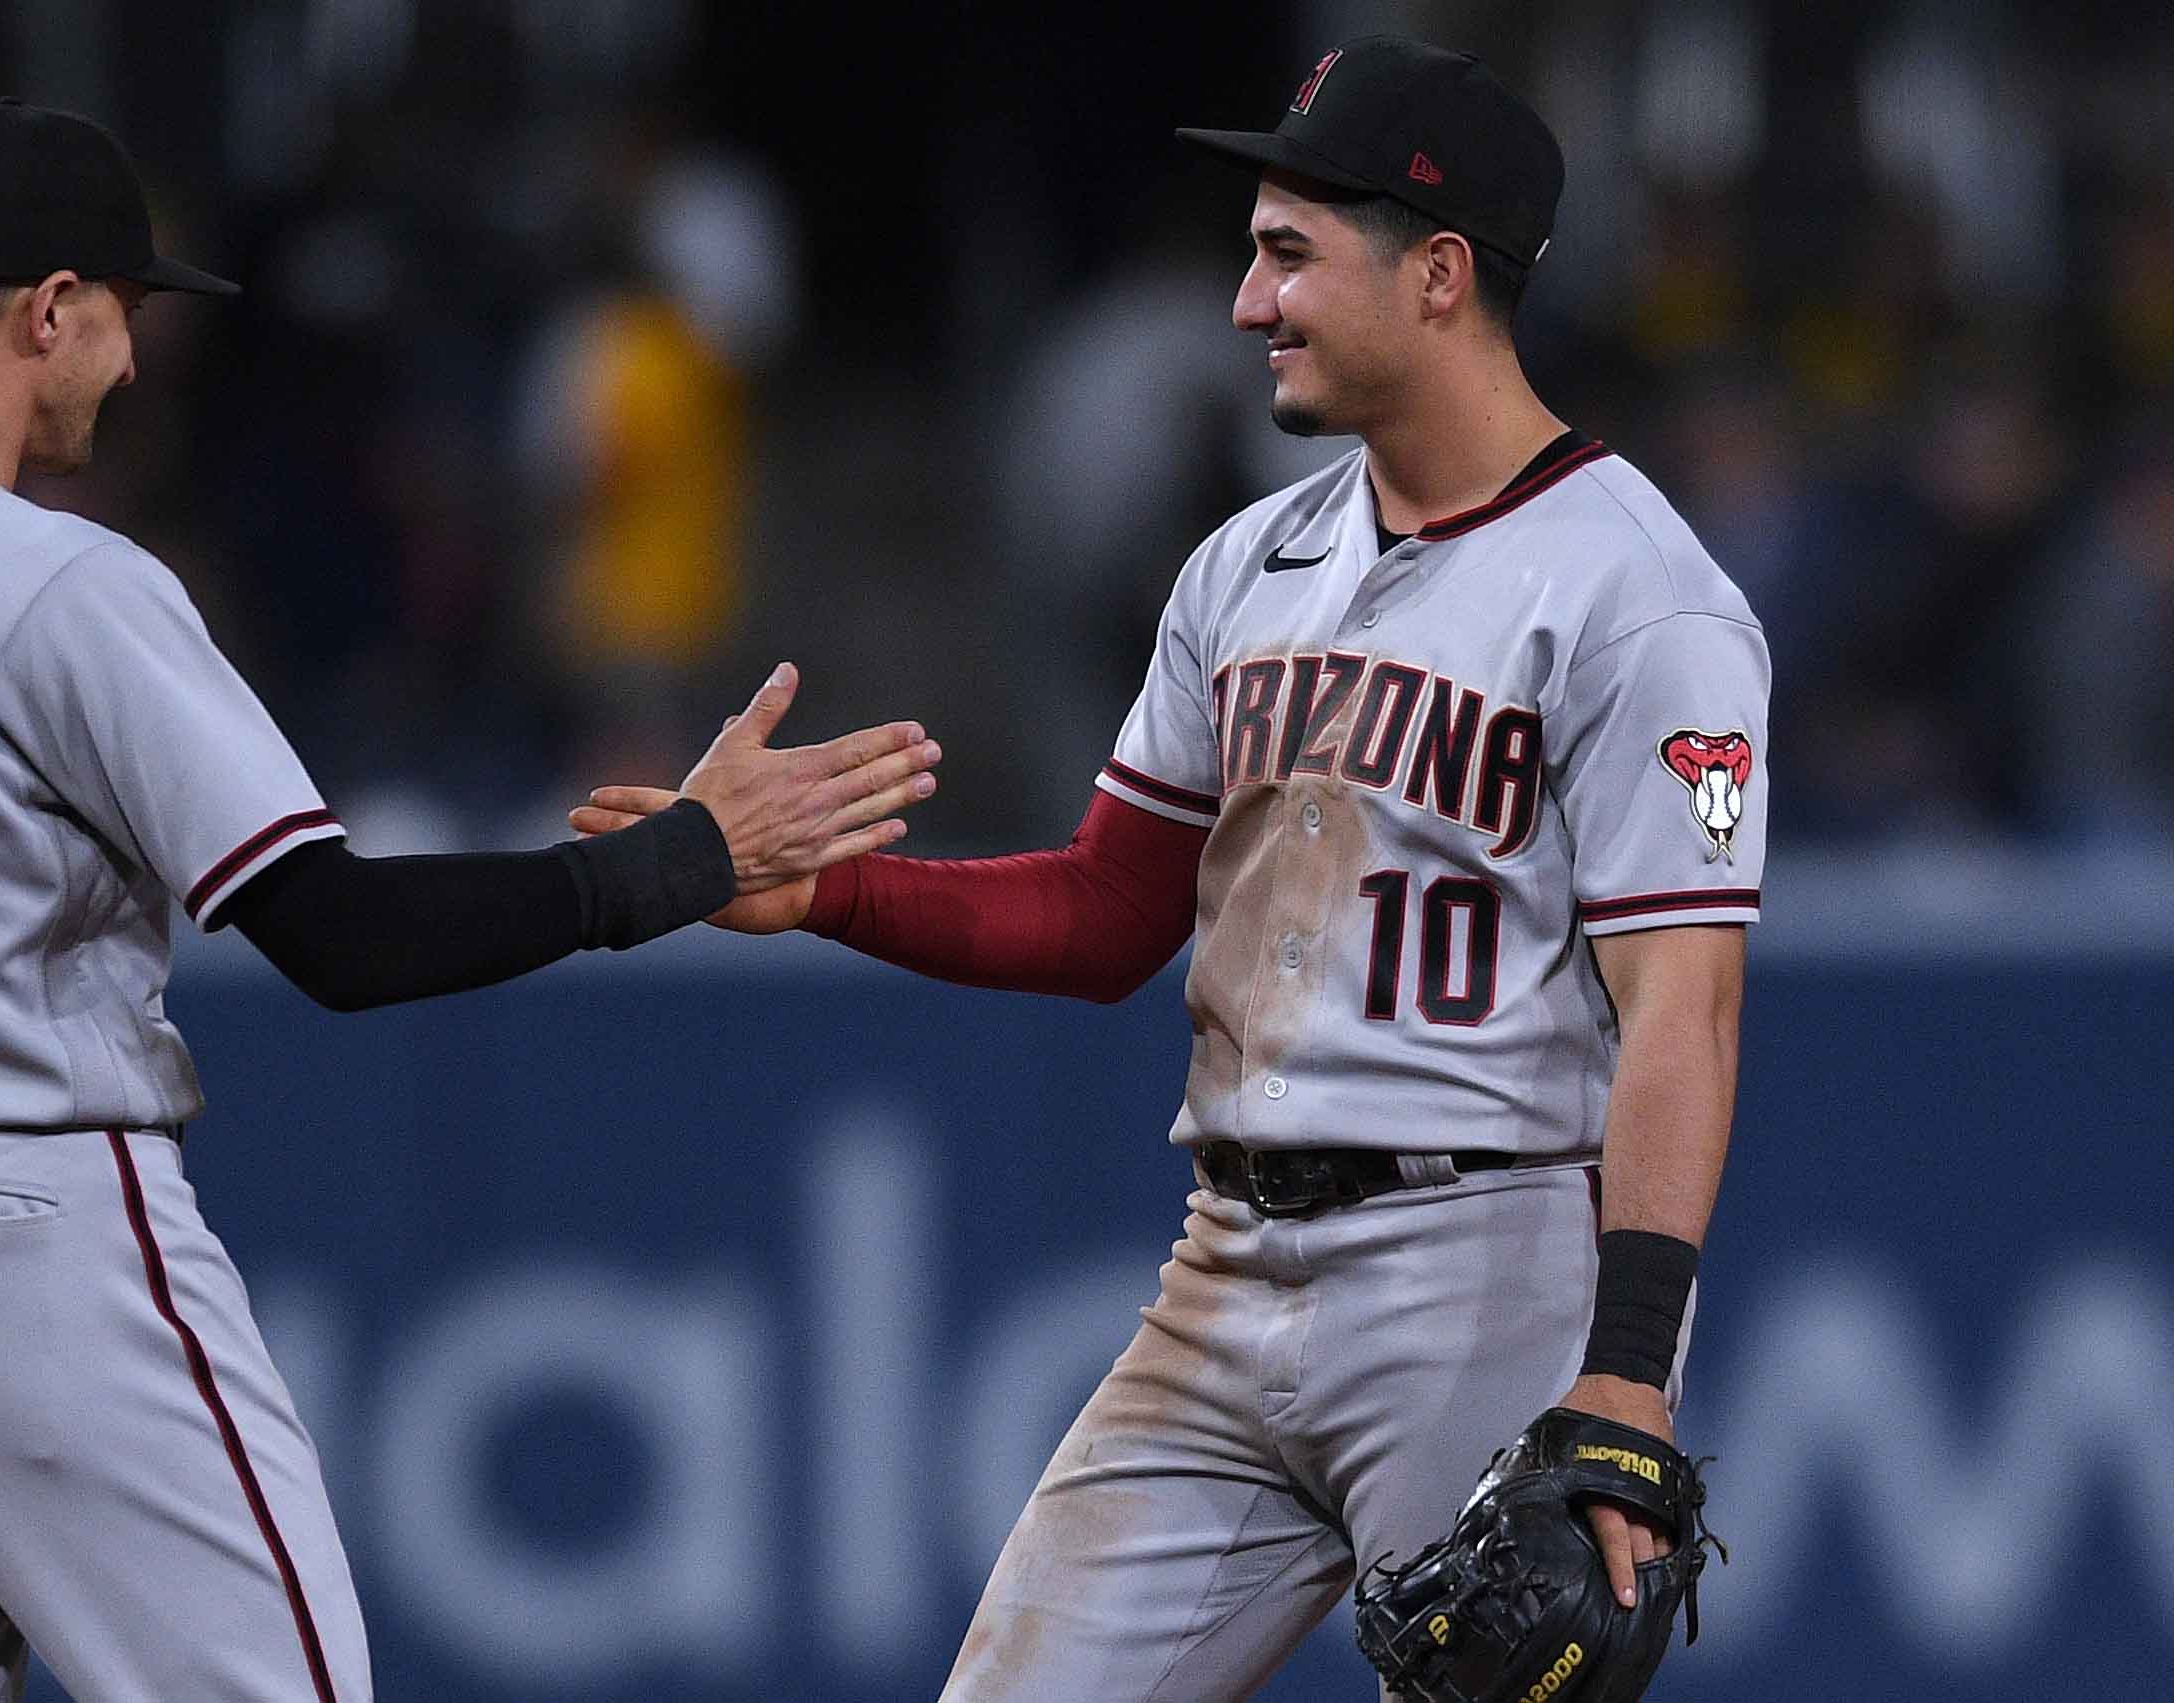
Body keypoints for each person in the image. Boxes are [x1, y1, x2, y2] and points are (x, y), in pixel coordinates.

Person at [0, 99, 937, 1702]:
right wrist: (684, 857)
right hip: (23, 1227)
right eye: (122, 313)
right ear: (47, 310)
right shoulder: (53, 578)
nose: (136, 362)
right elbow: (335, 937)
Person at [574, 36, 1767, 1701]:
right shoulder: (1248, 564)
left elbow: (1685, 1017)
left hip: (1481, 1265)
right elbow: (1102, 911)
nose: (1243, 301)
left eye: (1289, 253)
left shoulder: (1646, 598)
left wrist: (1628, 1377)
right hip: (1224, 1271)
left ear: (1437, 276)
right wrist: (823, 893)